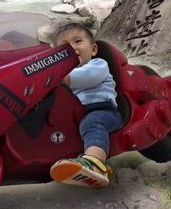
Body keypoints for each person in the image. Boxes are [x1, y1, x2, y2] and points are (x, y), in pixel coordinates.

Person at [49, 22, 122, 189]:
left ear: (93, 50)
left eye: (78, 41)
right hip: (78, 114)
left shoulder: (98, 65)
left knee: (92, 123)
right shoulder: (64, 76)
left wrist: (60, 77)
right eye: (64, 46)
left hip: (103, 111)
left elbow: (86, 76)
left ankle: (95, 164)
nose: (72, 48)